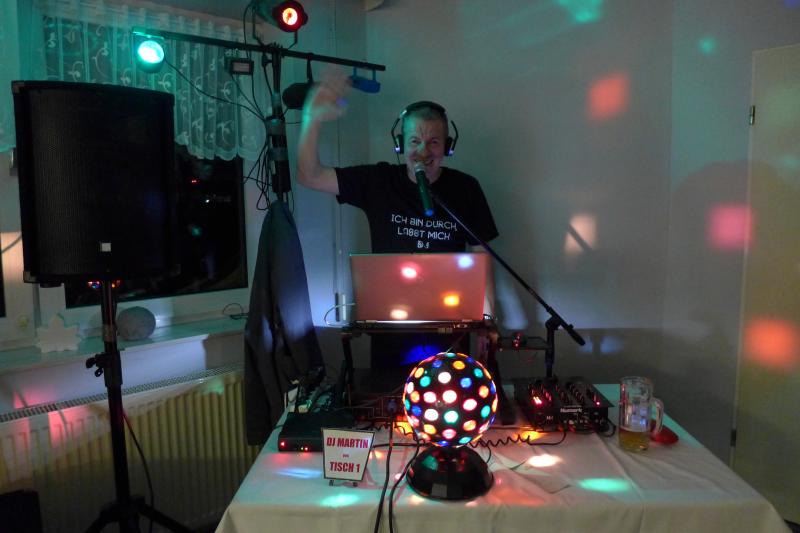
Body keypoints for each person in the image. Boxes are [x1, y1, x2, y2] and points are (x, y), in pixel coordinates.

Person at [296, 71, 499, 387]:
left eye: (433, 142)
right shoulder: (377, 181)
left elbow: (481, 260)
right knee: (388, 401)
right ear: (400, 144)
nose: (423, 151)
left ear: (447, 147)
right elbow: (309, 176)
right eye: (414, 141)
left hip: (450, 330)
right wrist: (312, 119)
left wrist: (487, 324)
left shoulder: (466, 189)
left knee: (447, 401)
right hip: (390, 329)